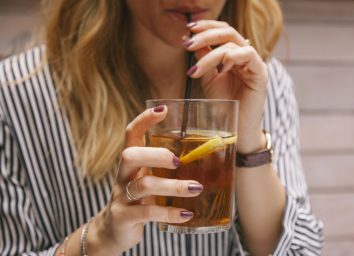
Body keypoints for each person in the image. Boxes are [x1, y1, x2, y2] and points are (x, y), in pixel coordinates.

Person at [0, 0, 324, 255]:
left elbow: (300, 251)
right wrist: (99, 239)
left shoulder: (259, 79)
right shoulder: (16, 95)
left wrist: (249, 141)